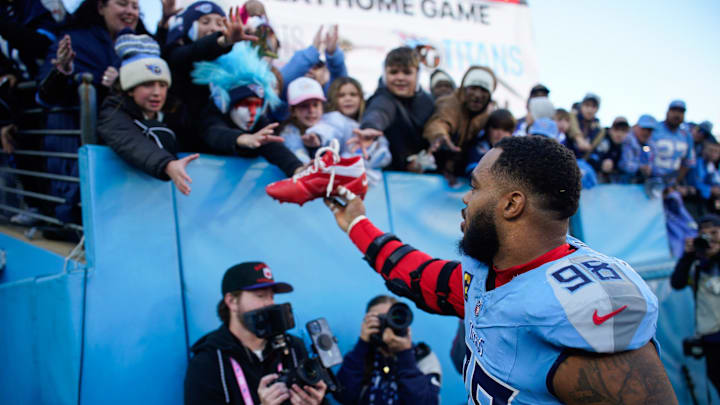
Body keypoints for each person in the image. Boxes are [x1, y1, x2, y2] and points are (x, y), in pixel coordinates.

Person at [323, 136, 677, 404]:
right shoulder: (495, 271)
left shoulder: (579, 304)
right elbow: (418, 277)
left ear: (511, 204)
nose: (465, 198)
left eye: (475, 187)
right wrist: (356, 222)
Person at [184, 261, 327, 405]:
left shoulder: (293, 347)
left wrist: (317, 402)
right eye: (260, 296)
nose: (270, 304)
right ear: (232, 301)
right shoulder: (209, 361)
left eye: (272, 297)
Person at [97, 31, 198, 195]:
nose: (157, 92)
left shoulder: (174, 113)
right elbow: (131, 141)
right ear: (130, 89)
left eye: (162, 85)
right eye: (147, 84)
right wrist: (167, 164)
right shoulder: (112, 112)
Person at [191, 42, 304, 177]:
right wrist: (242, 139)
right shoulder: (211, 116)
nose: (253, 113)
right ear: (230, 104)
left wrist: (299, 169)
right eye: (245, 105)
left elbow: (274, 147)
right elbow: (214, 133)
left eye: (258, 105)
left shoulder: (259, 123)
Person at [334, 295, 442, 405]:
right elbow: (342, 395)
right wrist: (362, 344)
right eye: (380, 319)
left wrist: (405, 354)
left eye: (393, 317)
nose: (387, 324)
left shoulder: (423, 357)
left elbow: (427, 402)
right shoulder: (360, 355)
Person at [355, 47, 435, 172]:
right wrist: (370, 127)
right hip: (390, 177)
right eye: (393, 72)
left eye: (407, 72)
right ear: (385, 73)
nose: (400, 77)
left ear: (417, 74)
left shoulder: (428, 102)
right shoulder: (382, 98)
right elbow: (379, 112)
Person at [670, 215, 720, 395]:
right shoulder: (698, 264)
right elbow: (677, 283)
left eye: (714, 233)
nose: (709, 239)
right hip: (711, 339)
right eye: (703, 235)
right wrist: (687, 256)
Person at [309, 77, 391, 185]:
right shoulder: (332, 118)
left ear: (361, 98)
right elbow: (328, 130)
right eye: (341, 95)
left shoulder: (368, 124)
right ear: (334, 99)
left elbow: (384, 156)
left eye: (353, 95)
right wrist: (318, 136)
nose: (348, 99)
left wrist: (372, 154)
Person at [423, 65, 496, 182]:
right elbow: (439, 121)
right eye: (473, 88)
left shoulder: (485, 115)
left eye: (483, 90)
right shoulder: (450, 103)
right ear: (464, 89)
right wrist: (439, 135)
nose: (477, 95)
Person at [464, 108, 514, 176]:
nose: (500, 133)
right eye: (496, 127)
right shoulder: (478, 146)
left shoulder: (514, 152)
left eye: (505, 129)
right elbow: (473, 172)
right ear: (487, 129)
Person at [587, 117, 631, 184]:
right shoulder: (604, 141)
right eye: (616, 129)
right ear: (611, 130)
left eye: (623, 130)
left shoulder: (624, 145)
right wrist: (601, 164)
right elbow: (591, 159)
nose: (619, 134)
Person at [618, 114, 657, 184]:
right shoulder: (628, 140)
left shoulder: (650, 145)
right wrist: (640, 168)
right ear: (636, 127)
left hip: (643, 185)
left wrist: (649, 168)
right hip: (623, 184)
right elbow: (624, 165)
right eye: (643, 129)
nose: (646, 132)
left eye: (649, 130)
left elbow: (652, 162)